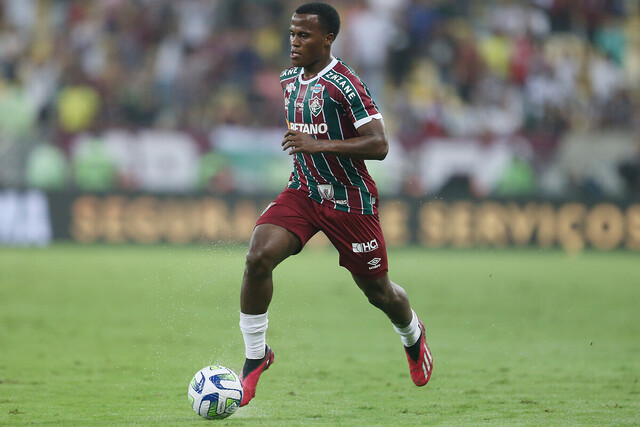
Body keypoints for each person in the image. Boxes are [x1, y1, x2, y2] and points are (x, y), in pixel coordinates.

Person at [238, 2, 433, 407]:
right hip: (304, 191)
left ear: (327, 39)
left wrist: (318, 144)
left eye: (304, 35)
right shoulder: (288, 80)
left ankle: (412, 334)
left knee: (378, 292)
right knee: (257, 257)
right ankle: (256, 355)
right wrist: (310, 153)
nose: (294, 42)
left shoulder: (346, 83)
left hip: (349, 200)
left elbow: (380, 144)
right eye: (292, 34)